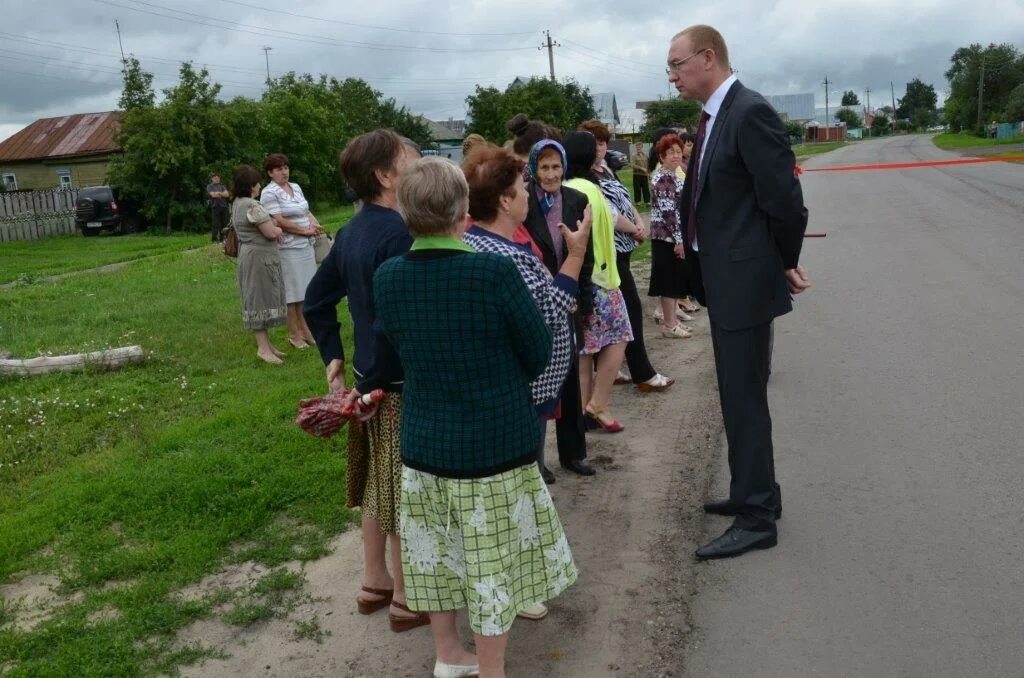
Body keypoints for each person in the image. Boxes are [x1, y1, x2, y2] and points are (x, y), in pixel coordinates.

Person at [350, 157, 579, 678]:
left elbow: (394, 349)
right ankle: (492, 669)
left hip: (426, 443)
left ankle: (449, 655)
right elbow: (539, 351)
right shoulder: (493, 272)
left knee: (434, 556)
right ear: (460, 210)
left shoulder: (390, 276)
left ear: (407, 211)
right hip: (495, 445)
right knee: (492, 563)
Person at [668, 24, 810, 559]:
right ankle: (754, 491)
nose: (673, 75)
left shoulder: (749, 112)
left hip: (745, 282)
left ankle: (757, 517)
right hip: (726, 281)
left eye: (678, 64)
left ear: (708, 58)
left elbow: (785, 202)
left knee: (745, 398)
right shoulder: (713, 118)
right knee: (735, 393)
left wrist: (783, 263)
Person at [303, 130, 425, 633]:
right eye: (412, 162)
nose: (421, 168)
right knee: (400, 490)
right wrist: (373, 379)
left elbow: (316, 300)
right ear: (385, 176)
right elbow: (394, 318)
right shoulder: (399, 233)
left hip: (366, 378)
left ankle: (374, 582)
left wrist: (335, 358)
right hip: (393, 383)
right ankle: (404, 596)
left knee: (377, 481)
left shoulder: (352, 230)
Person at [462, 143, 591, 490]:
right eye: (521, 188)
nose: (528, 195)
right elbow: (549, 310)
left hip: (513, 390)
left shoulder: (475, 241)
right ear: (505, 200)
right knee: (521, 480)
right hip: (523, 394)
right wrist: (577, 252)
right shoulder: (507, 257)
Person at [578, 120, 675, 391]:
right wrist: (634, 228)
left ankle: (609, 367)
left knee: (612, 313)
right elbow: (607, 211)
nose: (599, 147)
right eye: (594, 142)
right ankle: (642, 373)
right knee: (629, 310)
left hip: (624, 247)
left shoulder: (606, 168)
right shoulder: (586, 177)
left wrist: (637, 220)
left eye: (603, 142)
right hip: (608, 251)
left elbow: (624, 199)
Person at [522, 139, 597, 476]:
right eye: (544, 167)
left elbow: (586, 254)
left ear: (564, 167)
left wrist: (586, 303)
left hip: (569, 301)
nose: (551, 174)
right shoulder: (525, 202)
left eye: (556, 166)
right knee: (538, 378)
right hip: (538, 297)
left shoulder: (577, 200)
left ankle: (573, 453)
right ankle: (536, 461)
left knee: (570, 378)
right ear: (534, 169)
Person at [562, 131, 633, 433]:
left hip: (577, 279)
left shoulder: (567, 188)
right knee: (619, 337)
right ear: (591, 157)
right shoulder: (591, 189)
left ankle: (582, 413)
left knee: (583, 351)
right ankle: (598, 403)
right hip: (601, 278)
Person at [260, 153, 323, 350]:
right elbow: (278, 220)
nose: (284, 172)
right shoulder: (269, 193)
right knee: (292, 293)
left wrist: (314, 223)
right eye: (278, 169)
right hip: (287, 248)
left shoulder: (295, 187)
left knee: (305, 290)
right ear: (270, 173)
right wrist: (304, 230)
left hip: (305, 246)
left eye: (286, 167)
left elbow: (305, 210)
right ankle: (294, 334)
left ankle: (306, 330)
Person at [229, 165, 287, 364]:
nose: (260, 185)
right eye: (257, 182)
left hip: (253, 255)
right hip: (257, 258)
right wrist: (278, 230)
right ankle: (263, 349)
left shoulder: (237, 202)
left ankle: (268, 345)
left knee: (260, 297)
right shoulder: (250, 205)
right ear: (250, 185)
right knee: (258, 299)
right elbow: (270, 232)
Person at [648, 134, 694, 339]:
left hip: (673, 237)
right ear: (661, 156)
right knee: (668, 282)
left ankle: (672, 321)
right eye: (670, 153)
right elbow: (669, 213)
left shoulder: (674, 174)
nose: (676, 155)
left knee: (676, 279)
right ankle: (669, 324)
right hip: (666, 238)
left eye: (678, 151)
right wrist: (679, 239)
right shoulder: (664, 177)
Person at [206, 173, 229, 243]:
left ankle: (223, 239)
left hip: (224, 206)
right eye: (214, 177)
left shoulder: (222, 186)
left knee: (224, 223)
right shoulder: (209, 186)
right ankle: (214, 239)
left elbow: (227, 194)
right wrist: (222, 194)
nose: (216, 178)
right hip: (215, 206)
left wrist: (218, 194)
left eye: (217, 177)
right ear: (212, 179)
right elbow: (212, 195)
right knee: (215, 224)